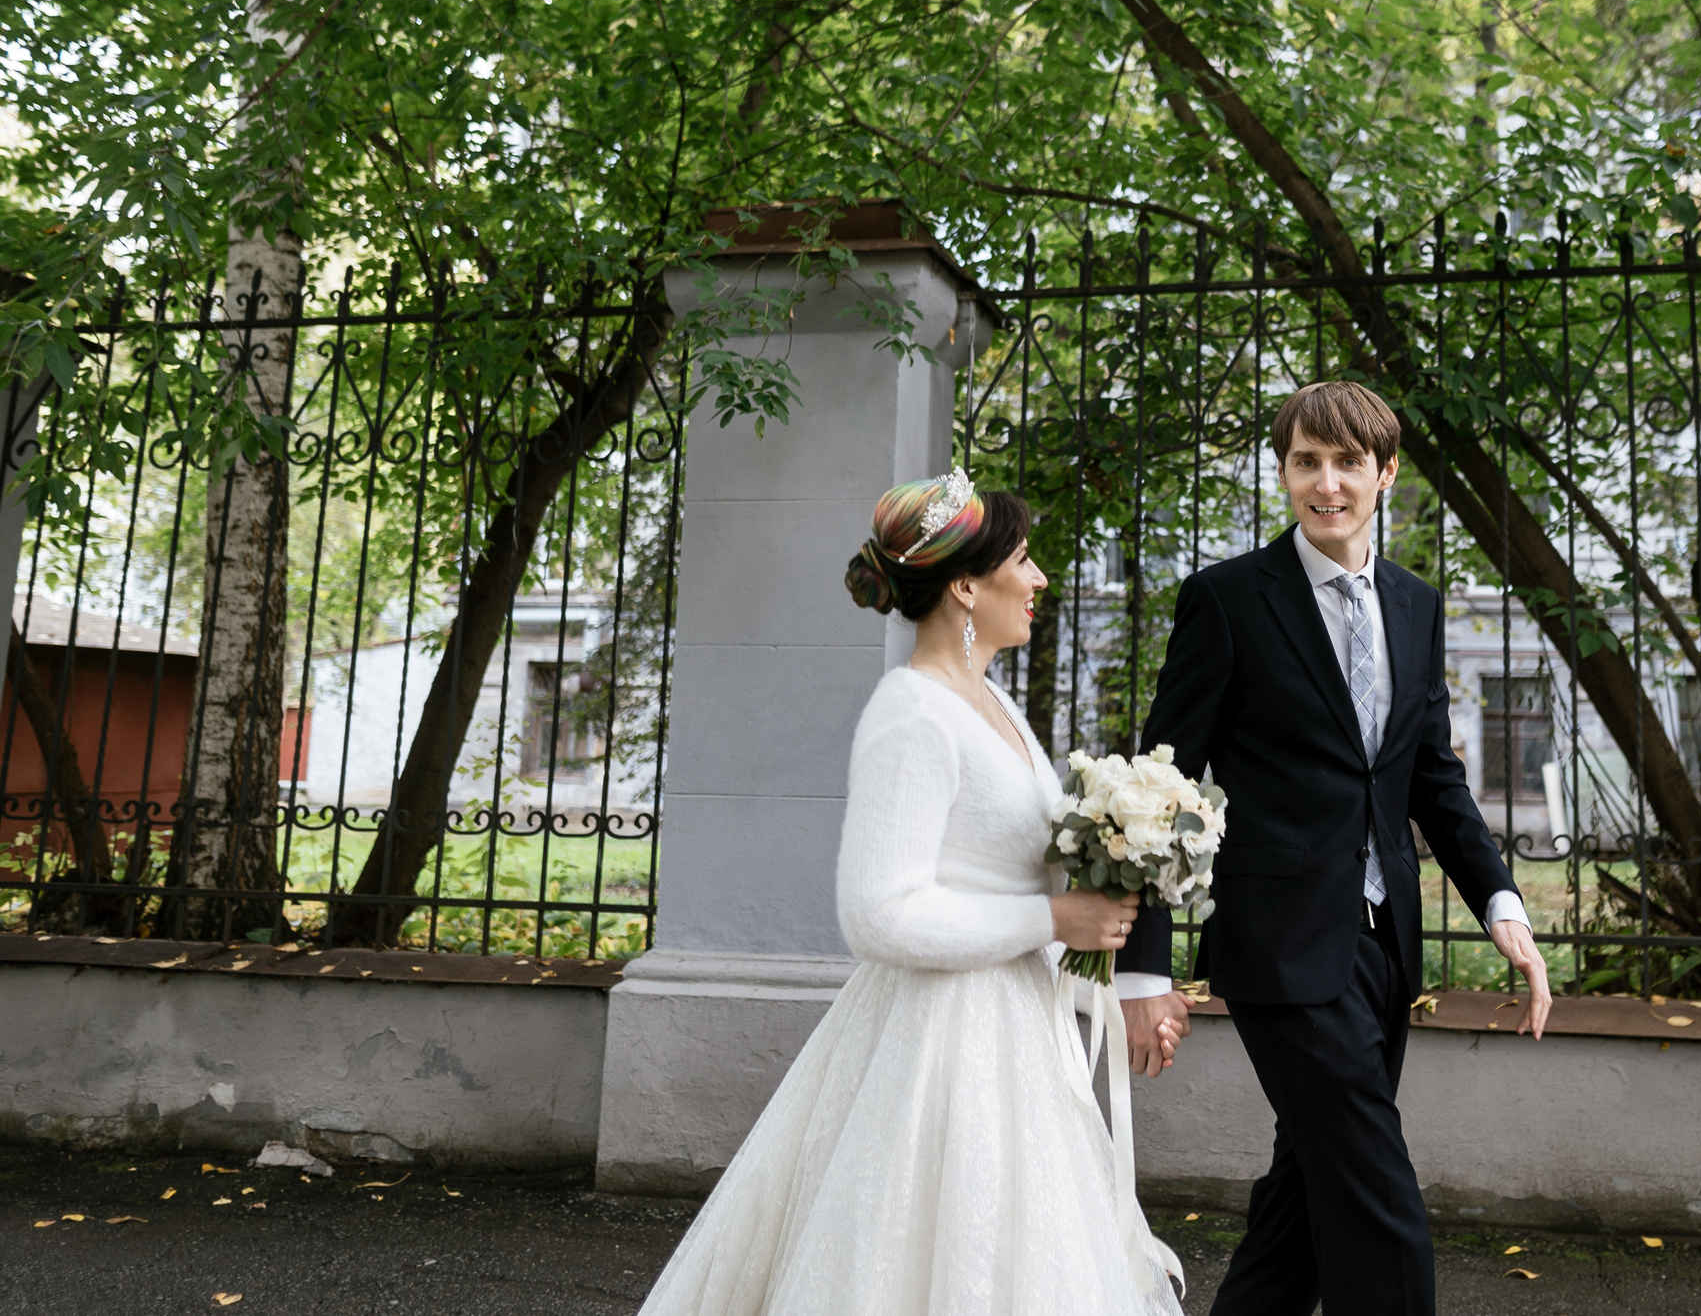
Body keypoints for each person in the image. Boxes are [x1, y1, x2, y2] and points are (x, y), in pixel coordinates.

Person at [636, 468, 1182, 1316]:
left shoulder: (992, 701)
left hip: (1017, 1037)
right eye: (1026, 561)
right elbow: (879, 912)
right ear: (966, 584)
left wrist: (1107, 967)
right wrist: (1054, 914)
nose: (1039, 580)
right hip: (939, 1049)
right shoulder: (913, 712)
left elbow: (992, 874)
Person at [1115, 381, 1552, 1316]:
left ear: (1384, 474)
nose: (1326, 482)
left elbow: (1430, 775)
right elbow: (1159, 790)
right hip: (1278, 945)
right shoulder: (1228, 600)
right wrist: (1141, 973)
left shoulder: (1415, 605)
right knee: (1377, 1203)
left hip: (1381, 946)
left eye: (1347, 462)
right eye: (1305, 461)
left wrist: (1502, 905)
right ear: (1283, 473)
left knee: (1306, 1196)